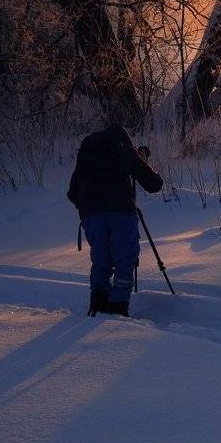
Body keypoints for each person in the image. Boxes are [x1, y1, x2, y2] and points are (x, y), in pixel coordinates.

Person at [66, 123, 163, 316]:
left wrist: (88, 206)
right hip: (120, 212)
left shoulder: (88, 149)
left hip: (91, 213)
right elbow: (153, 184)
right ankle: (119, 308)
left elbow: (72, 192)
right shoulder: (121, 143)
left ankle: (98, 305)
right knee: (124, 259)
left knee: (101, 259)